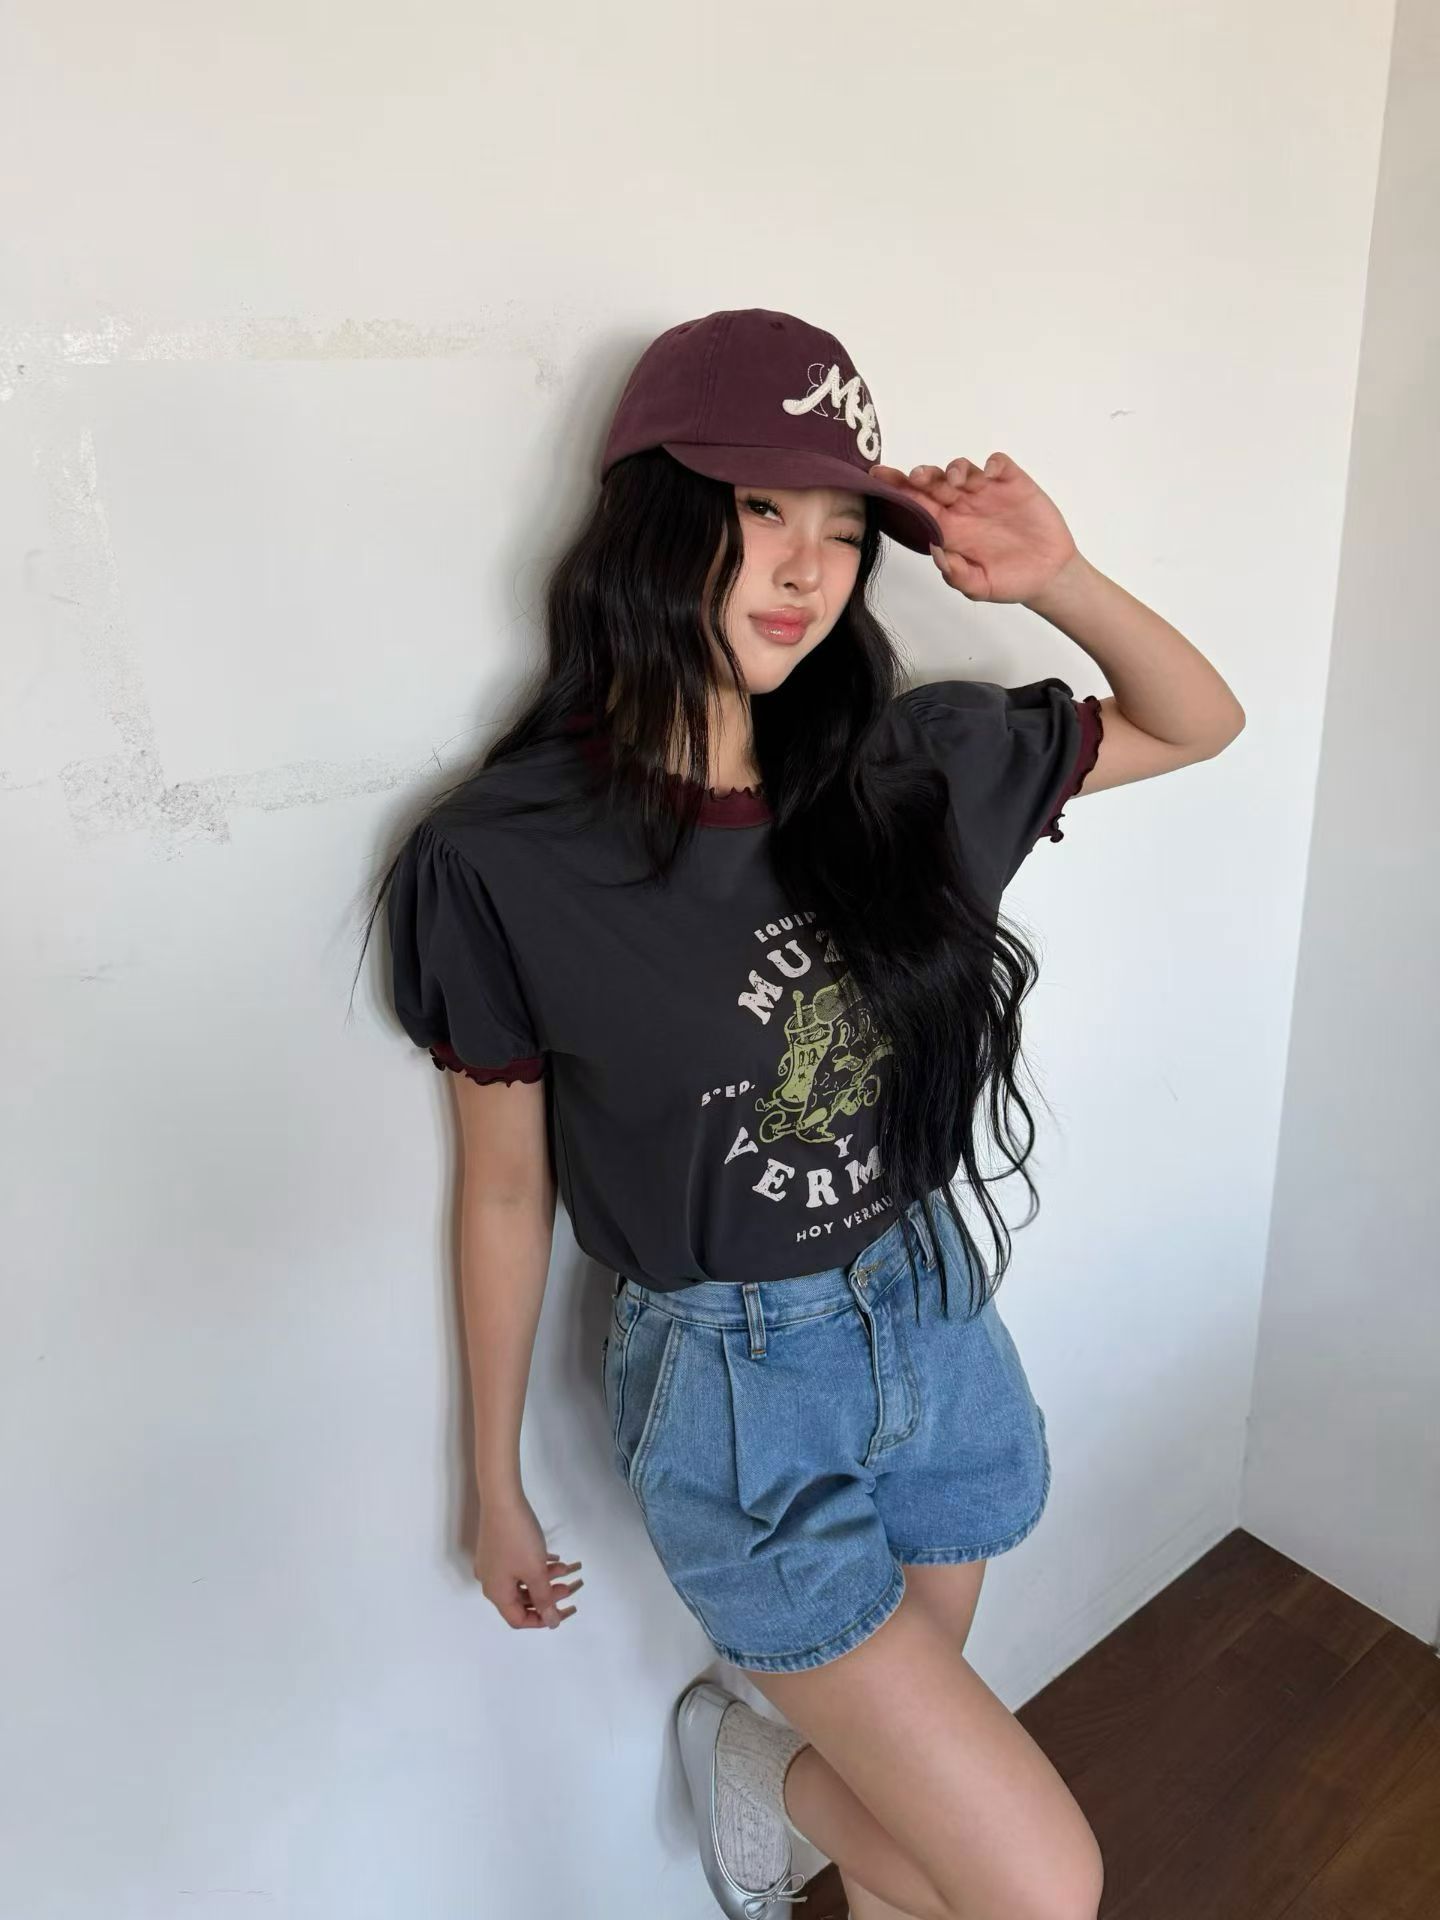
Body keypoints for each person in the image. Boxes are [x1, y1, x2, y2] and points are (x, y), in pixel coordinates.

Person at [357, 307, 1244, 1920]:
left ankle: (760, 1775)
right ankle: (758, 1771)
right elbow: (502, 1190)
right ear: (651, 521)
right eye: (760, 508)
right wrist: (491, 1480)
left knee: (922, 1841)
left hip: (934, 1316)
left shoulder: (910, 771)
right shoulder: (506, 860)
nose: (807, 568)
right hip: (737, 1384)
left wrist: (1056, 576)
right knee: (1036, 1886)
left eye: (844, 529)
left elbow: (1200, 720)